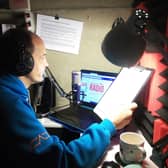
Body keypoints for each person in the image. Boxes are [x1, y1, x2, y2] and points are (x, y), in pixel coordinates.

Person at [0, 28, 138, 168]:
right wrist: (110, 125)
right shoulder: (11, 104)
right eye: (42, 56)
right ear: (24, 61)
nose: (47, 64)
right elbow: (62, 162)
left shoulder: (8, 92)